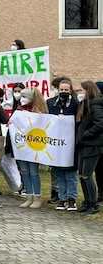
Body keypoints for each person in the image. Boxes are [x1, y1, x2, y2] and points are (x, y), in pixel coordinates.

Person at [47, 79, 79, 211]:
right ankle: (62, 197)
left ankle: (72, 199)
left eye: (66, 90)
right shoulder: (51, 103)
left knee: (70, 173)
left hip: (70, 143)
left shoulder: (76, 104)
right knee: (59, 172)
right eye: (62, 90)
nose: (64, 92)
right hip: (56, 143)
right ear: (58, 90)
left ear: (70, 90)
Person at [14, 88, 48, 209]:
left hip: (33, 146)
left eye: (25, 96)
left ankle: (37, 196)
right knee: (24, 171)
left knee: (33, 172)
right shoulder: (19, 110)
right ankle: (29, 196)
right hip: (22, 146)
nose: (22, 98)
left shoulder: (38, 111)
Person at [75, 81, 103, 215]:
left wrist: (86, 134)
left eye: (81, 90)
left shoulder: (95, 105)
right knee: (81, 175)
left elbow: (100, 123)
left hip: (92, 145)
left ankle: (93, 204)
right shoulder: (84, 105)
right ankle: (87, 202)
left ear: (88, 90)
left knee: (87, 175)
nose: (79, 93)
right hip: (84, 144)